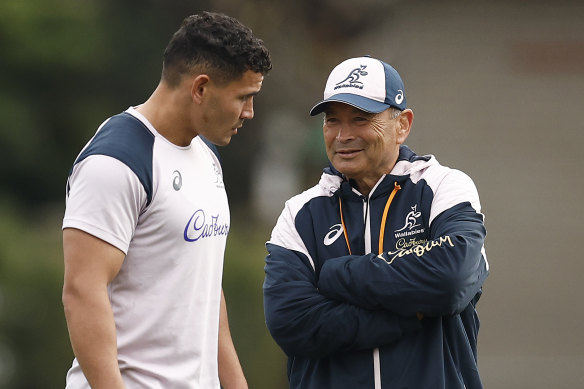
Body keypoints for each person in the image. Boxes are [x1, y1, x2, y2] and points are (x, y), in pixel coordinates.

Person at [62, 11, 271, 389]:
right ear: (200, 88)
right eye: (243, 97)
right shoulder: (115, 160)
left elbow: (204, 283)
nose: (249, 112)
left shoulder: (206, 155)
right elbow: (81, 292)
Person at [263, 56, 489, 389]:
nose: (343, 135)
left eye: (360, 118)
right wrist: (412, 313)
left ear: (403, 124)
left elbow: (451, 279)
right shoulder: (299, 213)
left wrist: (338, 274)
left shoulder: (445, 187)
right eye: (332, 120)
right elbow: (292, 322)